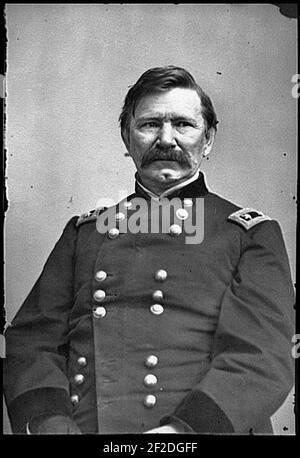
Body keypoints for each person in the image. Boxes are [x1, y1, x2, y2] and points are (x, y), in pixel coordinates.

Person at [4, 66, 294, 434]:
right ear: (127, 139)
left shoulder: (250, 234)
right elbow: (32, 341)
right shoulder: (85, 233)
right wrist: (51, 425)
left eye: (183, 125)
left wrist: (180, 434)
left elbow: (262, 359)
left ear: (208, 140)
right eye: (150, 124)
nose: (166, 139)